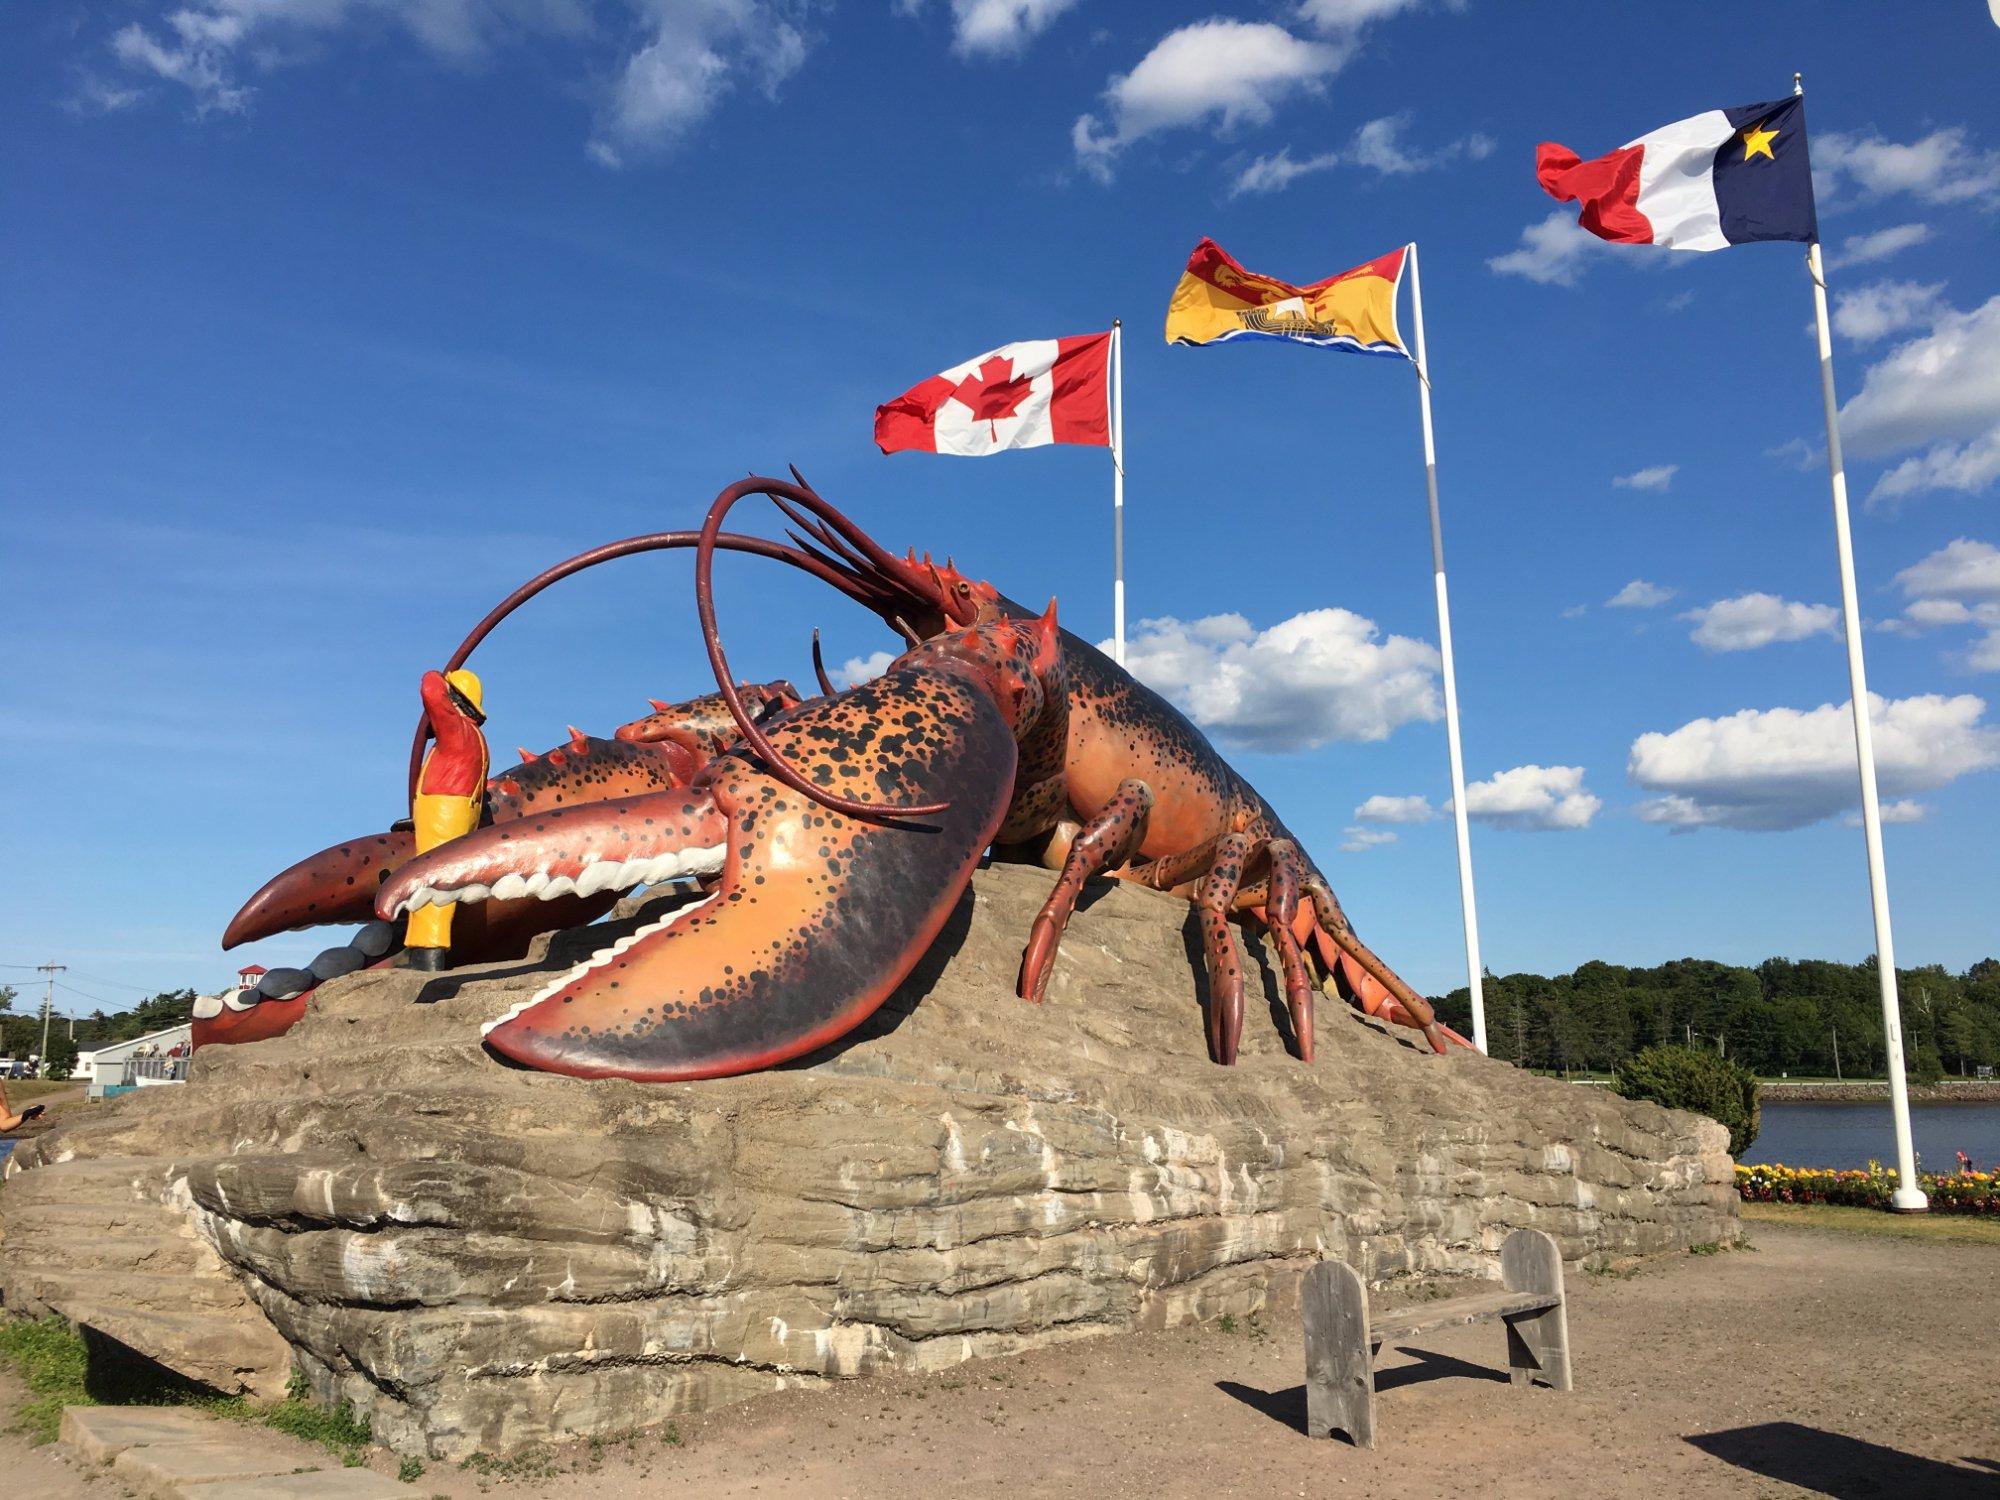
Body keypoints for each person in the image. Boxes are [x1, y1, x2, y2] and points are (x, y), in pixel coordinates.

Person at [403, 668, 490, 971]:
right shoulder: (476, 739)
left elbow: (430, 688)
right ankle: (419, 947)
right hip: (451, 812)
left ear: (455, 701)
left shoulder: (458, 729)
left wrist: (439, 675)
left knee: (430, 880)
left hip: (444, 810)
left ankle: (428, 953)